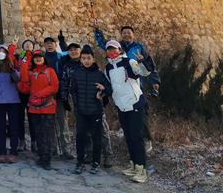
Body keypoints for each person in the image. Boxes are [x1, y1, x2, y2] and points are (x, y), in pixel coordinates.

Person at [95, 26, 160, 153]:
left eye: (129, 33)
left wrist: (155, 82)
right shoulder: (118, 47)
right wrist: (98, 33)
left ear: (133, 35)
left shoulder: (139, 47)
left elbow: (149, 64)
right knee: (127, 118)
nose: (126, 35)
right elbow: (104, 44)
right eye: (124, 33)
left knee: (142, 115)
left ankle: (146, 140)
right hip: (123, 89)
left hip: (138, 85)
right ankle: (132, 145)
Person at [104, 40, 153, 183]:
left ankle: (141, 170)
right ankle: (133, 164)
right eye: (109, 49)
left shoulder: (129, 62)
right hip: (121, 105)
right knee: (129, 136)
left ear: (119, 50)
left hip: (135, 103)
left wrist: (143, 61)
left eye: (114, 49)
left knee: (137, 137)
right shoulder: (107, 68)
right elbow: (110, 86)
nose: (111, 51)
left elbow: (143, 72)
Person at [69, 45, 112, 175]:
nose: (86, 61)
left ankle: (96, 163)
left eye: (88, 58)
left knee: (96, 138)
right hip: (81, 112)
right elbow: (73, 91)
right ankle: (80, 163)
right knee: (80, 137)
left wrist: (103, 91)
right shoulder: (76, 73)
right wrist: (76, 107)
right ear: (80, 60)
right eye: (83, 58)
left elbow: (109, 89)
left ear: (93, 59)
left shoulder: (99, 74)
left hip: (96, 112)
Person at [18, 50, 59, 170]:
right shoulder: (31, 73)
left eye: (40, 56)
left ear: (43, 58)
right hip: (34, 108)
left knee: (46, 134)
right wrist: (24, 65)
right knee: (38, 133)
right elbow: (25, 88)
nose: (38, 58)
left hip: (47, 107)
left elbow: (54, 86)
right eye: (36, 57)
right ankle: (42, 156)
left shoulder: (49, 71)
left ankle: (47, 159)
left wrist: (39, 94)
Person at [0, 45, 21, 163]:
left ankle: (13, 151)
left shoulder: (11, 65)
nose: (1, 53)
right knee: (0, 127)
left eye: (3, 52)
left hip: (13, 100)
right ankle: (2, 151)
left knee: (13, 127)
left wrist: (13, 71)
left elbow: (18, 78)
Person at [43, 36, 72, 160]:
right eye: (47, 43)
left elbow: (70, 53)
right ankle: (53, 148)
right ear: (44, 45)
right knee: (50, 123)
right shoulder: (42, 58)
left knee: (62, 122)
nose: (49, 45)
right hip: (47, 95)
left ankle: (66, 150)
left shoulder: (61, 57)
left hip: (60, 94)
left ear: (55, 45)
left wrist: (62, 42)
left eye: (51, 43)